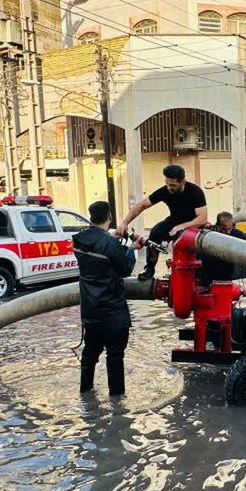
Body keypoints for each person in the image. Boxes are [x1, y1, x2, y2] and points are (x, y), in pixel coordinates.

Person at [73, 200, 140, 396]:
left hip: (90, 309)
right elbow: (125, 269)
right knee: (115, 357)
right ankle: (117, 405)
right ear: (109, 216)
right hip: (112, 310)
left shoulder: (78, 239)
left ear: (91, 216)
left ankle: (85, 392)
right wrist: (132, 249)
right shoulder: (110, 243)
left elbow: (99, 257)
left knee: (89, 355)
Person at [115, 164, 208, 280]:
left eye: (173, 185)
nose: (169, 187)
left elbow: (202, 218)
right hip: (174, 220)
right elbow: (141, 205)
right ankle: (149, 269)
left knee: (200, 246)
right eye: (167, 184)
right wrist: (124, 223)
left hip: (194, 224)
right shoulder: (165, 191)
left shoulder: (195, 192)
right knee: (155, 232)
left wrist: (182, 227)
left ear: (183, 182)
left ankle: (200, 275)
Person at [199, 212, 246, 284]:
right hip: (208, 268)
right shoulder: (208, 232)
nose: (228, 232)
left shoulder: (236, 233)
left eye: (229, 229)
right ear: (217, 225)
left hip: (226, 269)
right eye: (224, 229)